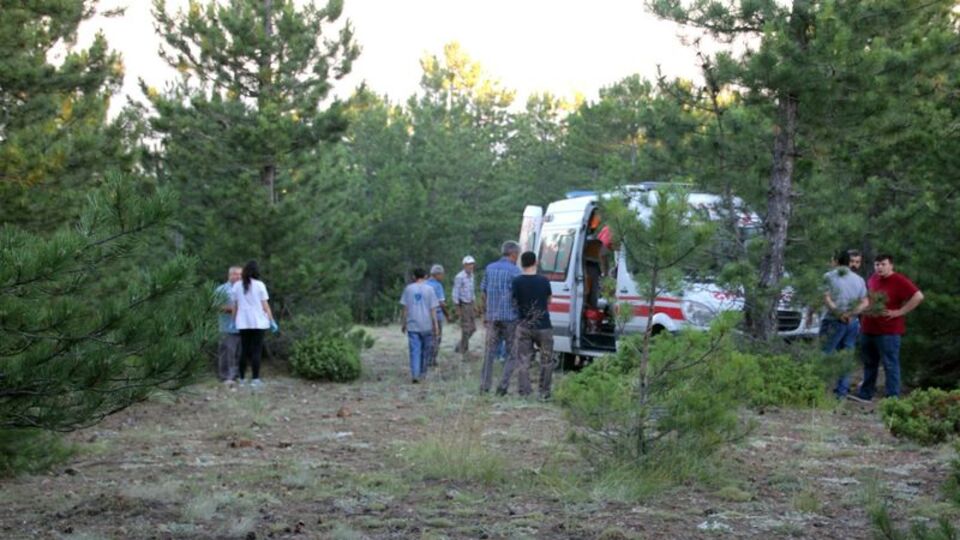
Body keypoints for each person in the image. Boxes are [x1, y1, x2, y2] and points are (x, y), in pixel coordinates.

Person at [854, 254, 924, 401]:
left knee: (890, 364)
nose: (879, 267)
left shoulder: (899, 280)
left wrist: (899, 312)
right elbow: (866, 299)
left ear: (891, 265)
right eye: (877, 264)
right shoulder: (872, 279)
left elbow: (918, 296)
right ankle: (866, 394)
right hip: (868, 328)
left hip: (888, 331)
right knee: (869, 363)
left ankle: (892, 398)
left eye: (883, 264)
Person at [503, 251, 555, 399]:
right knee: (546, 360)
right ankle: (544, 392)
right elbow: (549, 300)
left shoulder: (516, 281)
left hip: (524, 326)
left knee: (523, 360)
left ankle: (525, 392)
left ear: (522, 264)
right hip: (544, 326)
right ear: (536, 262)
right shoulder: (544, 281)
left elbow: (513, 302)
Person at [821, 251, 868, 399]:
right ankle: (841, 392)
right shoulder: (859, 279)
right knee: (846, 356)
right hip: (852, 322)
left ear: (836, 260)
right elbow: (865, 302)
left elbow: (827, 298)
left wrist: (839, 313)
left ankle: (817, 388)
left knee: (825, 355)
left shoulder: (829, 276)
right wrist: (852, 314)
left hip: (833, 320)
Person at [480, 241, 521, 394]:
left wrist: (487, 311)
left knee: (489, 352)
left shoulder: (489, 268)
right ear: (513, 254)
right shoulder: (515, 271)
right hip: (510, 317)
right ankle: (502, 386)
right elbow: (518, 296)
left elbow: (483, 292)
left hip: (492, 317)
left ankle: (484, 386)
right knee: (512, 353)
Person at [232, 260, 275, 389]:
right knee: (256, 351)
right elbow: (265, 306)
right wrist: (271, 320)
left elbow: (235, 306)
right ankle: (255, 379)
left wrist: (233, 321)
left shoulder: (237, 286)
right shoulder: (260, 285)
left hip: (243, 322)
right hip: (258, 322)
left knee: (244, 350)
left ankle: (242, 378)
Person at [400, 268, 439, 383]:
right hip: (426, 325)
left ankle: (415, 374)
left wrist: (404, 323)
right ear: (426, 276)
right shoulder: (430, 289)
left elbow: (405, 308)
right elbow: (433, 309)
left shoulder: (408, 289)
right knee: (425, 351)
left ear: (414, 277)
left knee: (414, 350)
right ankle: (423, 373)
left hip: (413, 324)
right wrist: (435, 325)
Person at [216, 266, 243, 384]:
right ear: (229, 275)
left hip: (243, 327)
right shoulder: (222, 290)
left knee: (239, 353)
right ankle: (225, 377)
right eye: (235, 274)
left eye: (240, 274)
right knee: (227, 353)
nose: (238, 277)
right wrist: (233, 310)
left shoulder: (245, 289)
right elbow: (215, 306)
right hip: (227, 327)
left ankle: (236, 376)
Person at [452, 256, 477, 356]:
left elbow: (472, 291)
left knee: (473, 328)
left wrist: (474, 304)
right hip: (463, 304)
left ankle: (460, 346)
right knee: (466, 328)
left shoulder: (472, 276)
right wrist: (457, 308)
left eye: (472, 264)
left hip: (470, 303)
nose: (471, 266)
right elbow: (455, 292)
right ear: (464, 265)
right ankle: (464, 350)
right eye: (469, 264)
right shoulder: (459, 277)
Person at [425, 264, 449, 367]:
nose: (443, 276)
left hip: (424, 316)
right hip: (437, 315)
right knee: (436, 338)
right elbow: (441, 303)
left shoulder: (424, 284)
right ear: (437, 274)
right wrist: (447, 314)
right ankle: (432, 359)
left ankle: (425, 358)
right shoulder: (438, 286)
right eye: (442, 274)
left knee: (427, 338)